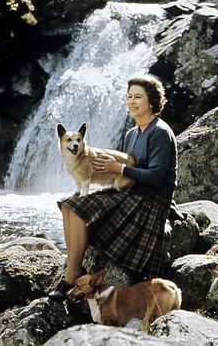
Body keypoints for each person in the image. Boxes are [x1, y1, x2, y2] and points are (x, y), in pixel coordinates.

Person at [49, 75, 177, 301]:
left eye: (138, 96)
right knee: (69, 204)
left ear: (152, 100)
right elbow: (123, 170)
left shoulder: (160, 132)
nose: (132, 101)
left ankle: (70, 278)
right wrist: (110, 168)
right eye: (129, 97)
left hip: (149, 201)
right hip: (129, 192)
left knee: (80, 209)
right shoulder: (132, 133)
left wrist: (118, 168)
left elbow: (156, 177)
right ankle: (74, 265)